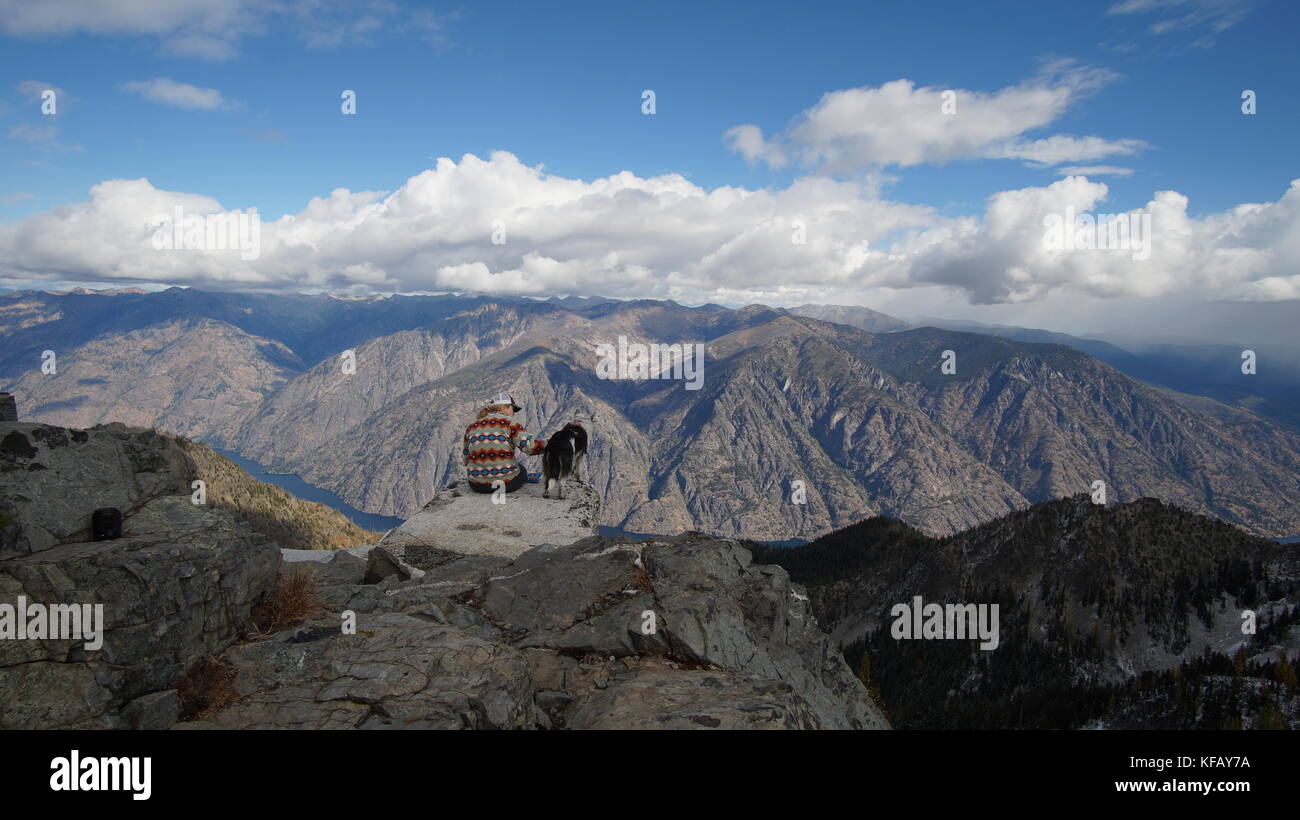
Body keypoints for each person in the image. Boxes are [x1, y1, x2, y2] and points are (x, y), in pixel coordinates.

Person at [462, 391, 546, 494]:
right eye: (512, 409)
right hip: (506, 484)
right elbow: (530, 448)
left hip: (477, 486)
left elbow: (466, 459)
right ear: (504, 407)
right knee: (522, 469)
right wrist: (551, 443)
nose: (513, 413)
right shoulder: (510, 423)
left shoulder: (472, 427)